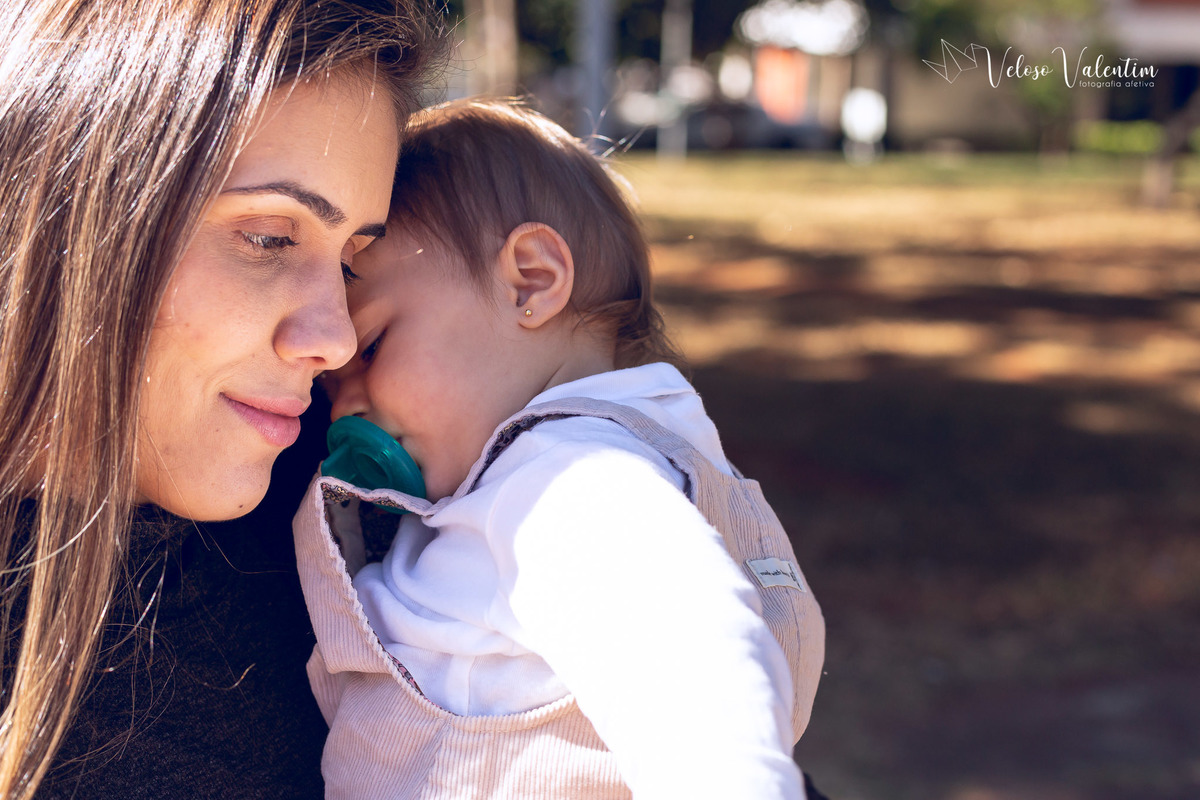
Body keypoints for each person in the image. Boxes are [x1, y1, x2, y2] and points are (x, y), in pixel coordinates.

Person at [294, 99, 826, 798]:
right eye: (331, 385)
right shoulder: (536, 477)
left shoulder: (568, 482)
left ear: (533, 281)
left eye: (372, 346)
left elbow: (697, 665)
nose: (345, 402)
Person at [0, 1, 443, 797]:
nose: (335, 339)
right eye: (269, 238)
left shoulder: (349, 518)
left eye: (350, 261)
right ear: (67, 212)